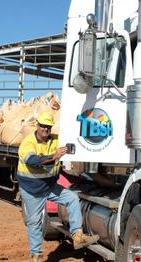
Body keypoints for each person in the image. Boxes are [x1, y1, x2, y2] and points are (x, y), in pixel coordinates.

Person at [17, 111, 99, 262]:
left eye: (48, 127)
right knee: (34, 222)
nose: (45, 129)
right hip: (33, 189)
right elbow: (32, 161)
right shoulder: (28, 143)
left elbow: (71, 141)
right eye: (43, 126)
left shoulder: (55, 139)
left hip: (49, 186)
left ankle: (77, 236)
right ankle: (36, 255)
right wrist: (54, 156)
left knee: (72, 198)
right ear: (37, 125)